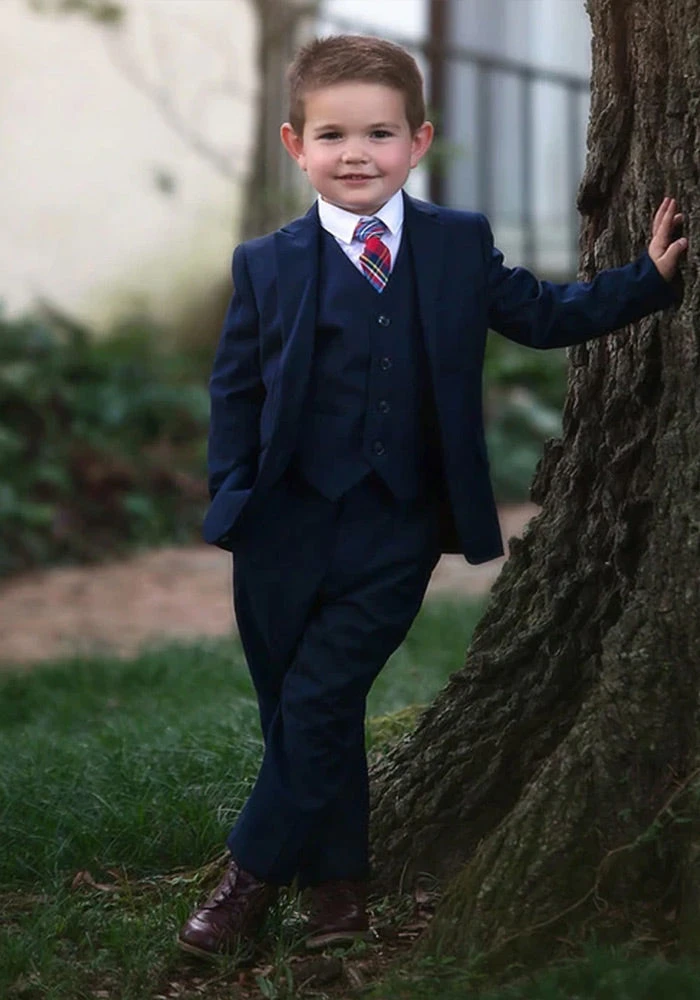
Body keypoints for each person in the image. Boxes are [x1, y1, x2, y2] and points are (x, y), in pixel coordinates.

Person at [177, 34, 687, 959]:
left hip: (398, 522)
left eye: (380, 133)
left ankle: (244, 884)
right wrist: (233, 497)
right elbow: (236, 388)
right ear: (296, 146)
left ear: (419, 140)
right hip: (282, 526)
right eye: (333, 135)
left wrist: (644, 283)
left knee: (323, 697)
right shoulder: (265, 262)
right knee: (300, 711)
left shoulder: (457, 243)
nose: (357, 153)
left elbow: (541, 314)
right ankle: (339, 895)